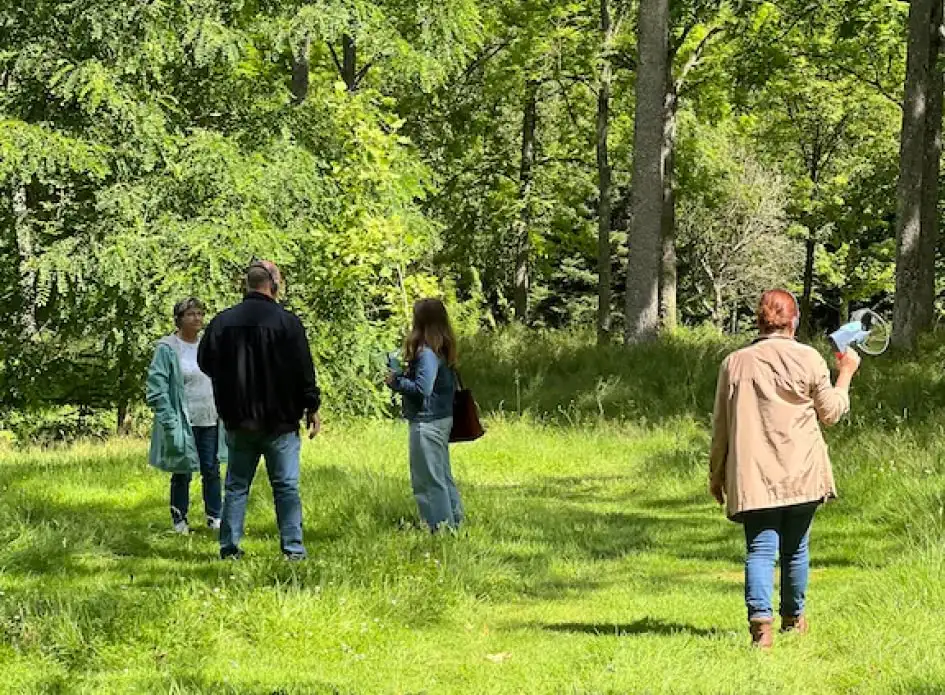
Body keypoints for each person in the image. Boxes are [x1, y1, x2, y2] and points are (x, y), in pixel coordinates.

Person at [709, 289, 861, 649]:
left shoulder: (734, 363)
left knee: (760, 550)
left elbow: (721, 426)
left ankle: (761, 630)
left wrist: (716, 474)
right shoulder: (809, 359)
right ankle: (793, 620)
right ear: (793, 322)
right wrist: (847, 374)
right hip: (803, 472)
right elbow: (831, 413)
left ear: (760, 322)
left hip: (754, 474)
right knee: (796, 549)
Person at [198, 260, 321, 560]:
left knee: (237, 486)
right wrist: (312, 406)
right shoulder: (288, 323)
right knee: (286, 487)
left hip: (239, 419)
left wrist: (229, 384)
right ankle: (293, 549)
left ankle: (229, 547)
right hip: (281, 420)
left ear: (247, 284)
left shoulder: (222, 322)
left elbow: (205, 362)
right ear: (274, 285)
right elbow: (304, 369)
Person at [146, 298, 226, 534]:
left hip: (209, 417)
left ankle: (215, 517)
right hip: (182, 420)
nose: (197, 318)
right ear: (179, 319)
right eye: (191, 314)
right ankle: (179, 520)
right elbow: (157, 385)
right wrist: (166, 416)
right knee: (182, 470)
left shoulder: (208, 345)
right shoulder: (168, 348)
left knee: (211, 469)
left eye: (200, 314)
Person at [386, 298, 463, 532]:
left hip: (427, 421)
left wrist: (396, 381)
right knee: (441, 474)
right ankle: (454, 521)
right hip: (440, 418)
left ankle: (439, 527)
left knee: (427, 479)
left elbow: (423, 389)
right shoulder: (442, 348)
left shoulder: (427, 353)